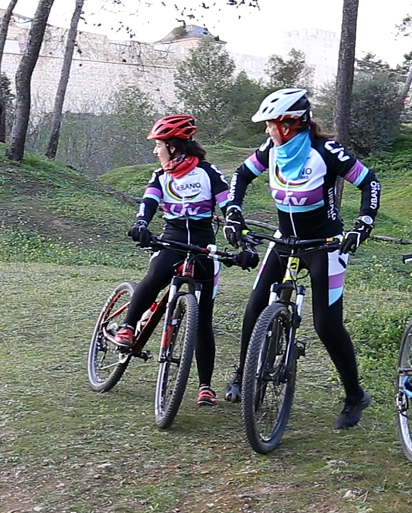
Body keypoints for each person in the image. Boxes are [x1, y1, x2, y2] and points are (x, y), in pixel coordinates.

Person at [221, 88, 381, 429]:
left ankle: (355, 395)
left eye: (270, 125)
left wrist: (362, 224)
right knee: (254, 307)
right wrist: (233, 212)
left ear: (290, 125)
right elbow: (240, 176)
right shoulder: (272, 149)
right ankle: (242, 373)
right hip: (283, 240)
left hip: (324, 244)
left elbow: (370, 183)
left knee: (326, 324)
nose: (266, 131)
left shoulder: (325, 151)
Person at [115, 114, 257, 407]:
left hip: (204, 245)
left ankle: (205, 386)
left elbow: (229, 205)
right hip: (172, 239)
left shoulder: (208, 172)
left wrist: (240, 240)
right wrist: (141, 224)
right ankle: (128, 327)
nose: (156, 151)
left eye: (159, 145)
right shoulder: (161, 176)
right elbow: (149, 204)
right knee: (155, 277)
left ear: (174, 146)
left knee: (203, 319)